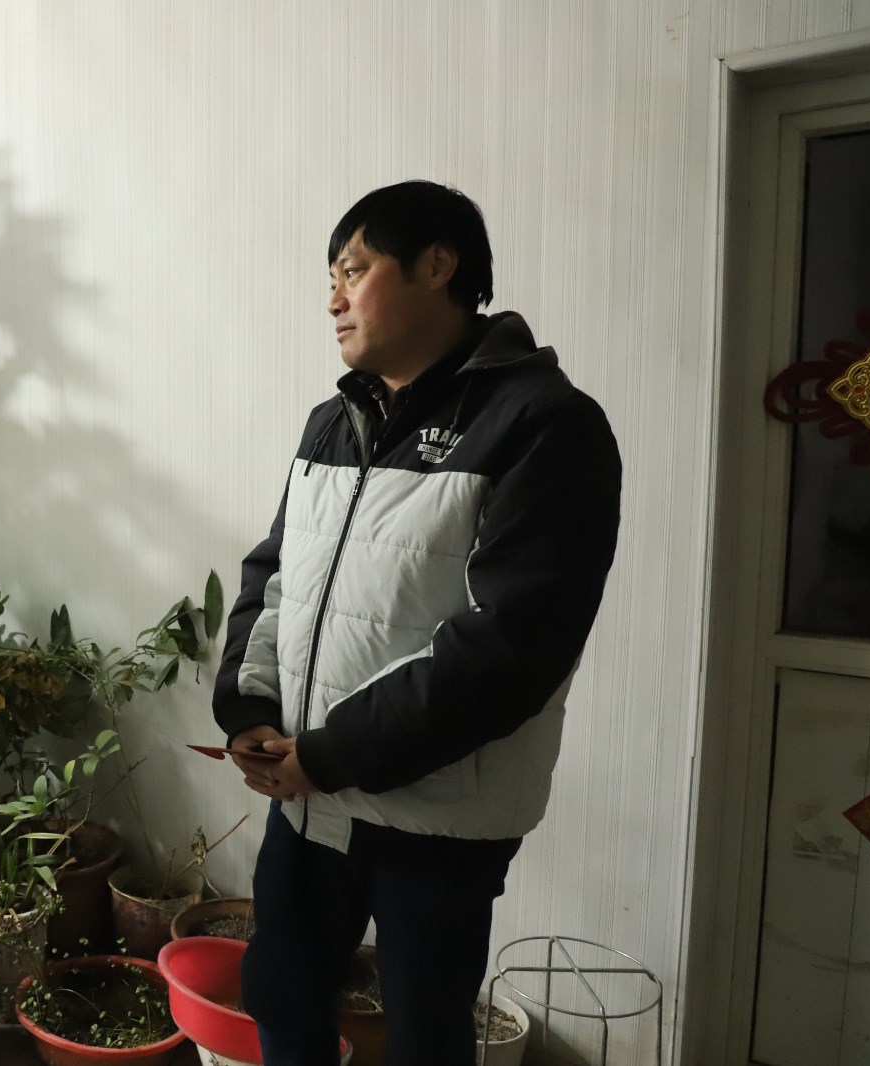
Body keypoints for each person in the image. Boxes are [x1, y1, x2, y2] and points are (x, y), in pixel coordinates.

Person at [212, 181, 622, 1066]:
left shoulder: (544, 425)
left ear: (437, 266)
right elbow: (274, 576)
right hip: (309, 794)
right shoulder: (334, 421)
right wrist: (247, 710)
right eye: (329, 279)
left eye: (352, 271)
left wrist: (329, 754)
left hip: (436, 816)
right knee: (279, 991)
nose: (332, 300)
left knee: (424, 1035)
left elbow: (510, 646)